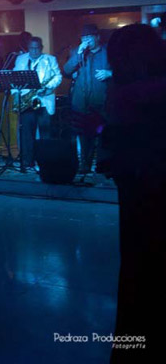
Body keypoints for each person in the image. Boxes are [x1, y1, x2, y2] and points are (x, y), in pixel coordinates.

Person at [97, 24, 166, 361]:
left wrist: (104, 128)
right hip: (142, 186)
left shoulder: (131, 91)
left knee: (141, 273)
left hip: (146, 191)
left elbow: (133, 139)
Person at [63, 23, 111, 174]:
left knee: (103, 135)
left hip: (102, 101)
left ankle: (102, 166)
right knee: (84, 135)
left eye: (89, 37)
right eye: (84, 37)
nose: (87, 40)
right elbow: (66, 71)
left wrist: (110, 73)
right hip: (82, 102)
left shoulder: (108, 52)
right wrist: (78, 54)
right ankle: (85, 165)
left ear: (97, 37)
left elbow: (122, 70)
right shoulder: (77, 52)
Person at [12, 37, 63, 172]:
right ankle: (27, 162)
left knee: (45, 133)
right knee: (27, 134)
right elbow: (14, 78)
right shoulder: (20, 59)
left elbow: (58, 76)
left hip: (44, 101)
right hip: (27, 101)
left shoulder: (50, 59)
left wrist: (48, 88)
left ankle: (45, 162)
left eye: (37, 48)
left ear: (41, 48)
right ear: (27, 48)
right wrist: (15, 94)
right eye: (31, 48)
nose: (34, 51)